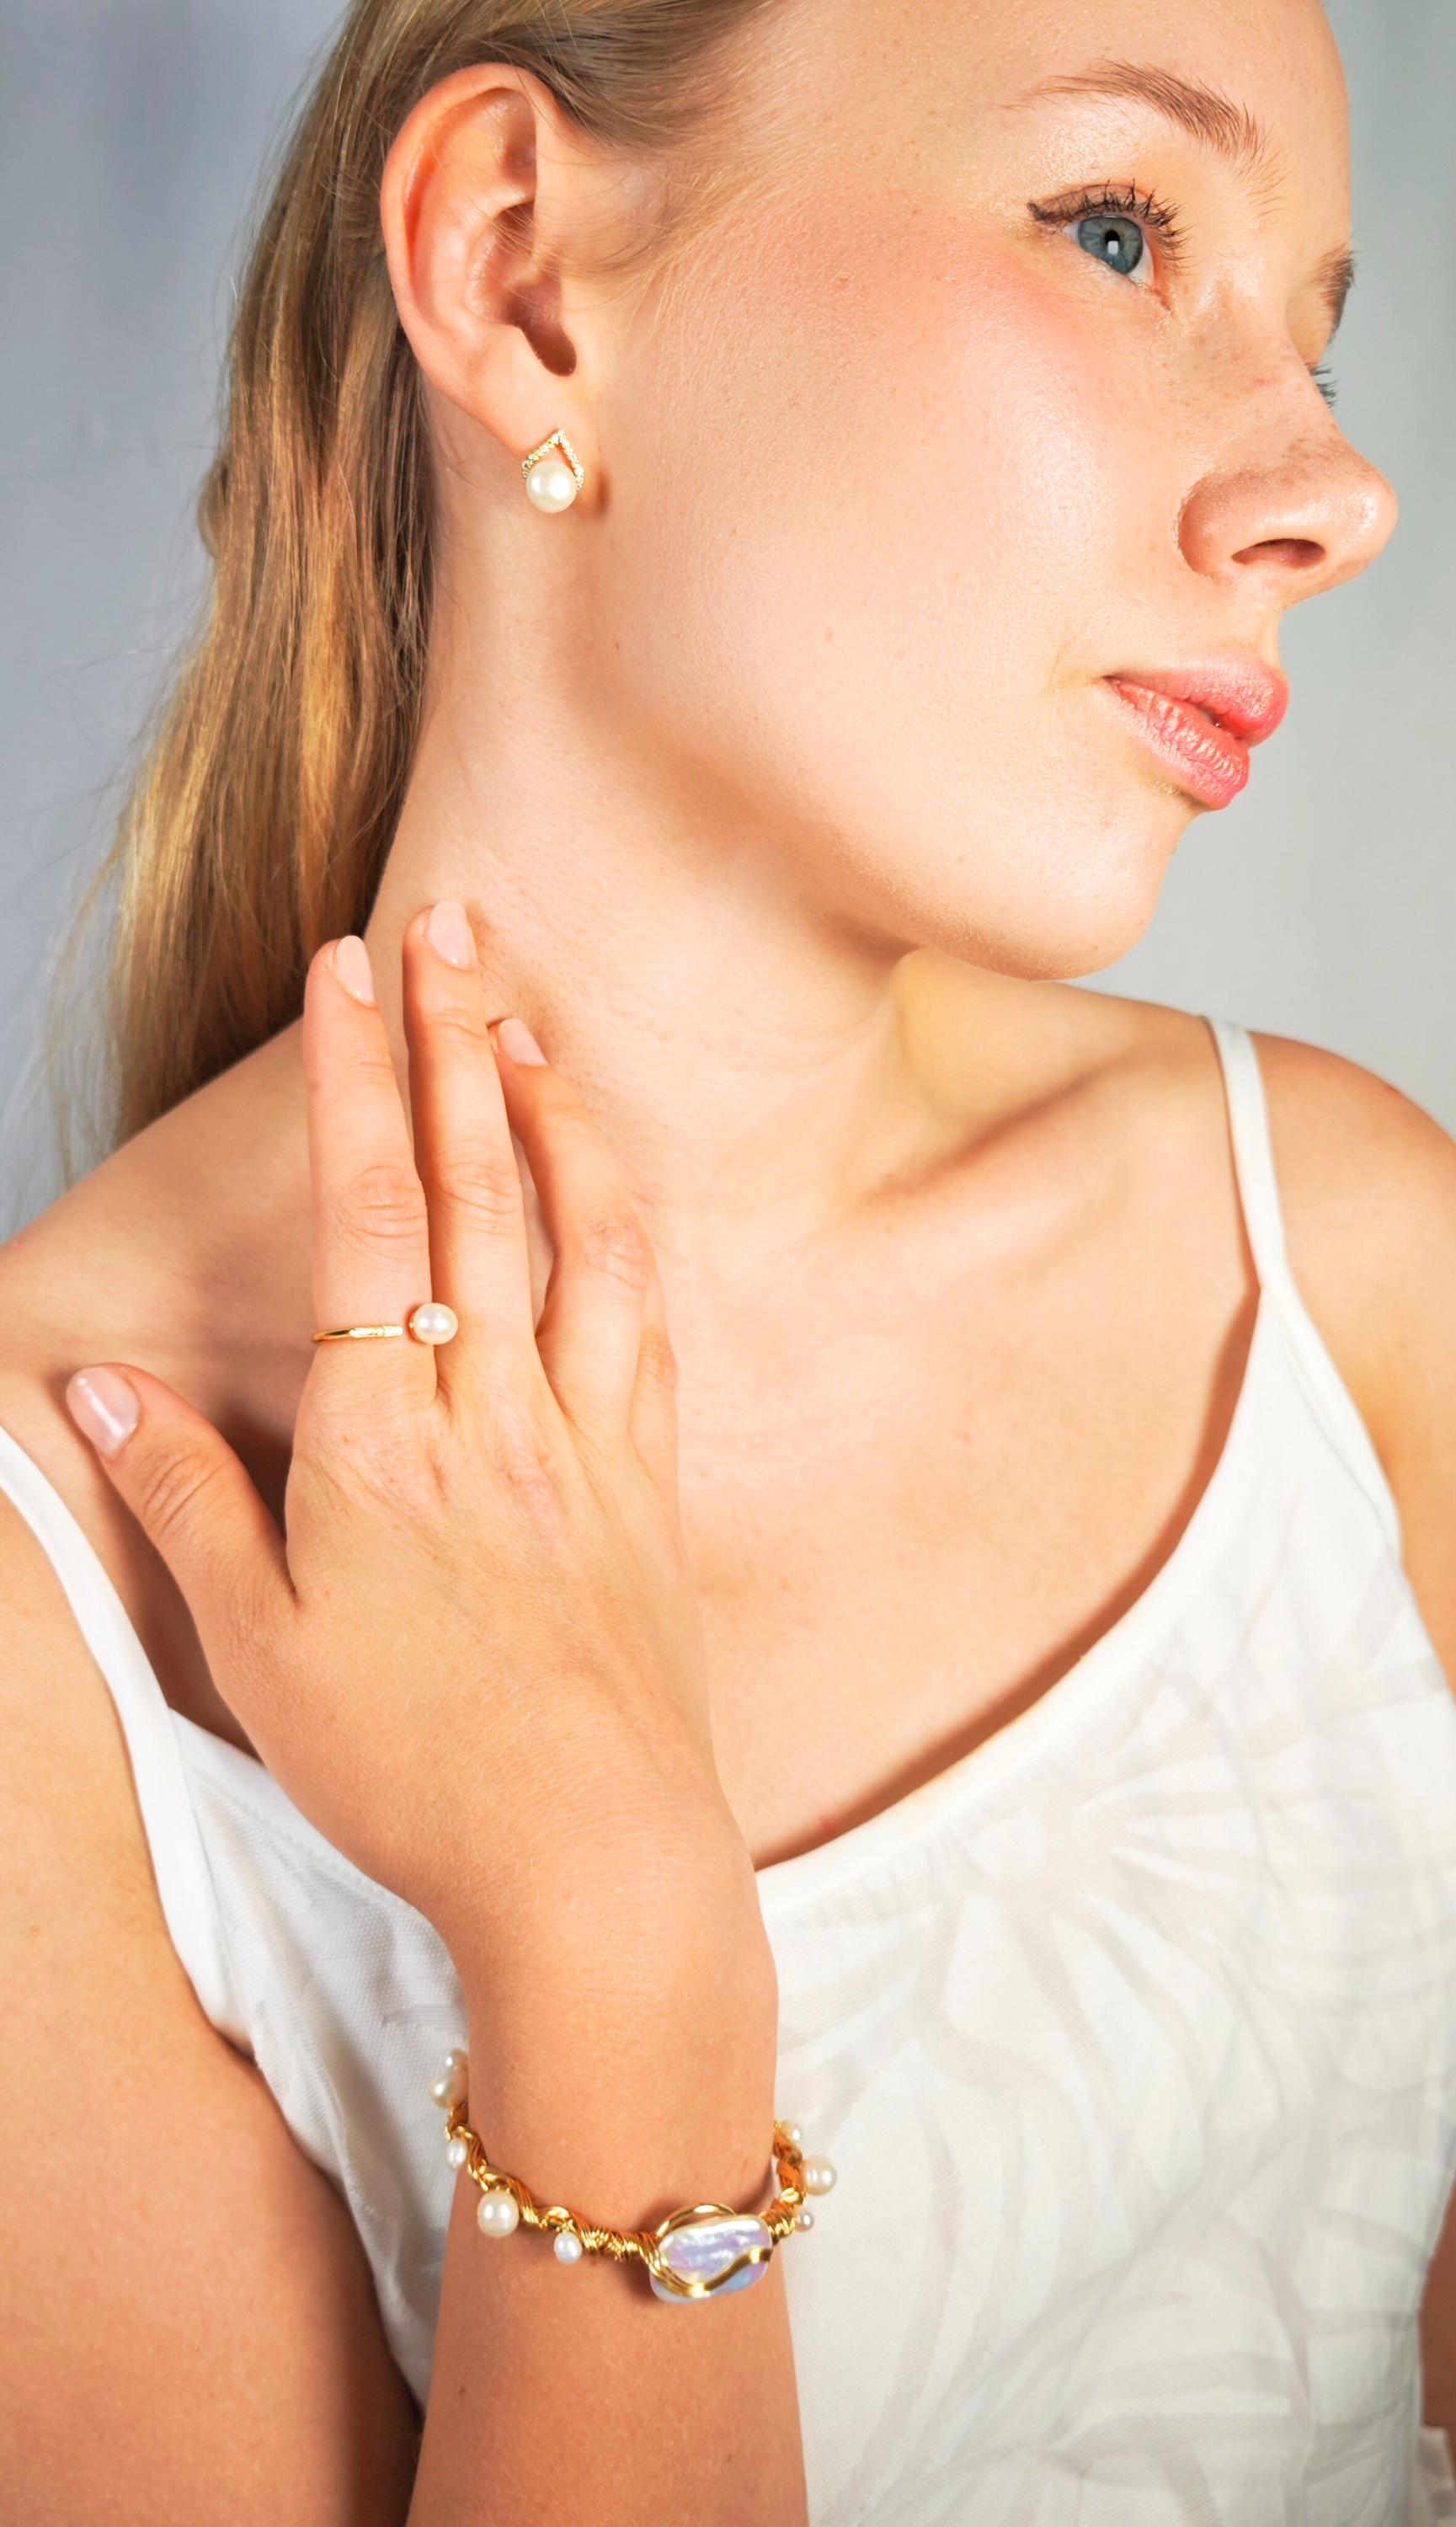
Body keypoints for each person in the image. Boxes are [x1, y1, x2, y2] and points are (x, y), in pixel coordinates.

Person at [2, 0, 1454, 2517]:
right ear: (522, 273)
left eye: (1309, 330)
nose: (1335, 490)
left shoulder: (1347, 1282)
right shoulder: (54, 1616)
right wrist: (606, 1948)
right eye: (1118, 229)